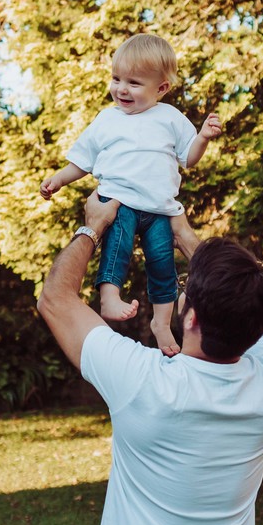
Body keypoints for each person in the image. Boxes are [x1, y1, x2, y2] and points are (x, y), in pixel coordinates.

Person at [37, 192, 263, 525]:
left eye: (184, 287)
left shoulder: (143, 382)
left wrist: (94, 225)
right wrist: (184, 234)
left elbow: (55, 299)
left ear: (189, 317)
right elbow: (252, 312)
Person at [40, 33, 222, 356]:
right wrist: (58, 180)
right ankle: (109, 296)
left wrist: (204, 138)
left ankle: (162, 323)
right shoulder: (107, 119)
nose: (121, 89)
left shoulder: (170, 118)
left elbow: (189, 158)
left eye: (134, 83)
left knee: (163, 263)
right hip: (118, 201)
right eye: (116, 79)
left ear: (161, 88)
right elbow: (82, 160)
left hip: (160, 210)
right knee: (116, 247)